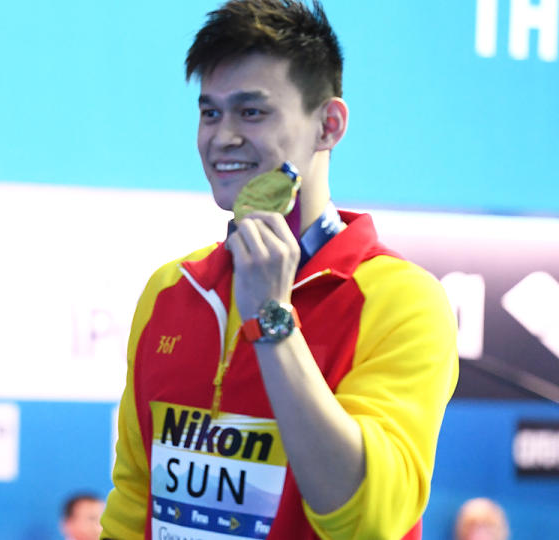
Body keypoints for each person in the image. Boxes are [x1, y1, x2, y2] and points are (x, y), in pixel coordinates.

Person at [100, 1, 458, 538]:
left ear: (328, 125)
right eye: (209, 112)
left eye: (252, 112)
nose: (222, 137)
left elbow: (367, 518)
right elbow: (134, 498)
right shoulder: (172, 290)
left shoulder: (402, 300)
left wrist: (272, 318)